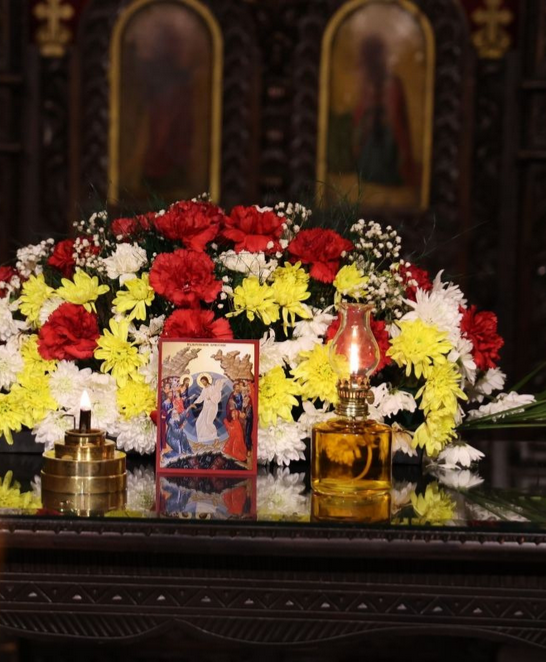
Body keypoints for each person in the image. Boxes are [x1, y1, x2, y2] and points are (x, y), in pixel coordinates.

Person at [352, 34, 416, 188]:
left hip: (384, 134)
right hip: (375, 134)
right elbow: (362, 111)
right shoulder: (372, 82)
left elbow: (395, 117)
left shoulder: (391, 81)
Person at [192, 375, 226, 443]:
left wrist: (211, 397)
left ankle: (216, 437)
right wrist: (194, 402)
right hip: (205, 408)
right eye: (201, 382)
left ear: (206, 380)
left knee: (208, 422)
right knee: (199, 422)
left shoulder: (213, 387)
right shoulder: (204, 389)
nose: (203, 383)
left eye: (203, 381)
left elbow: (218, 395)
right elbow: (201, 397)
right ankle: (203, 439)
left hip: (212, 407)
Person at [223, 382, 247, 462]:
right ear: (234, 388)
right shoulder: (232, 396)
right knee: (236, 434)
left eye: (238, 387)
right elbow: (231, 405)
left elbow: (241, 403)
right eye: (236, 387)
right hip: (236, 414)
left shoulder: (240, 394)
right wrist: (236, 411)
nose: (238, 388)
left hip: (239, 413)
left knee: (239, 433)